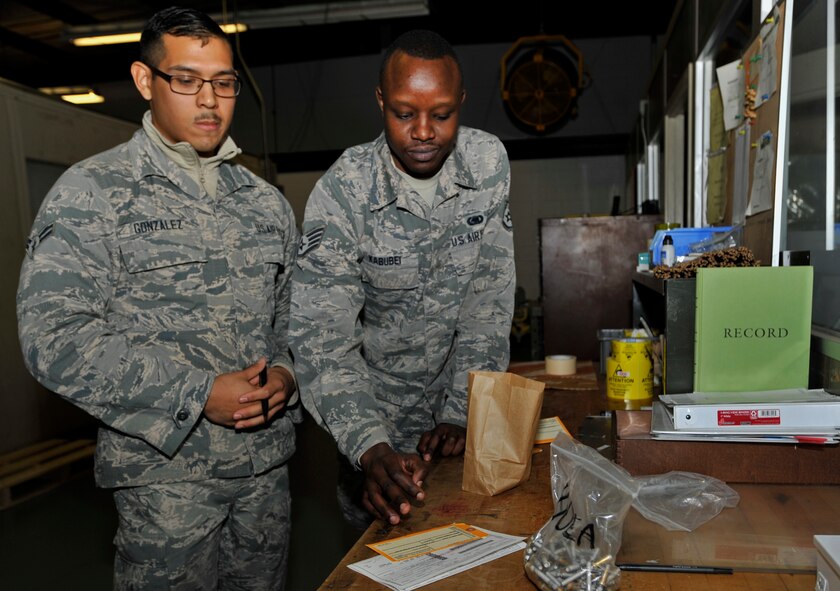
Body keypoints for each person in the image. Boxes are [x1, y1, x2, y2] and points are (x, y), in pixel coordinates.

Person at [16, 7, 300, 589]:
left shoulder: (265, 203)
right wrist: (197, 395)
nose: (209, 101)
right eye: (186, 80)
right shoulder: (93, 193)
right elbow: (53, 338)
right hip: (166, 486)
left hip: (265, 475)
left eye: (223, 82)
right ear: (146, 81)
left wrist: (288, 376)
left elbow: (295, 316)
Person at [289, 29, 515, 528]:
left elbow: (488, 304)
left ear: (461, 101)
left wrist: (462, 410)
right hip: (373, 424)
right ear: (380, 101)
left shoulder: (487, 164)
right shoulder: (344, 190)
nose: (423, 131)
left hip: (460, 425)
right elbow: (322, 338)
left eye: (442, 113)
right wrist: (369, 446)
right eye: (404, 112)